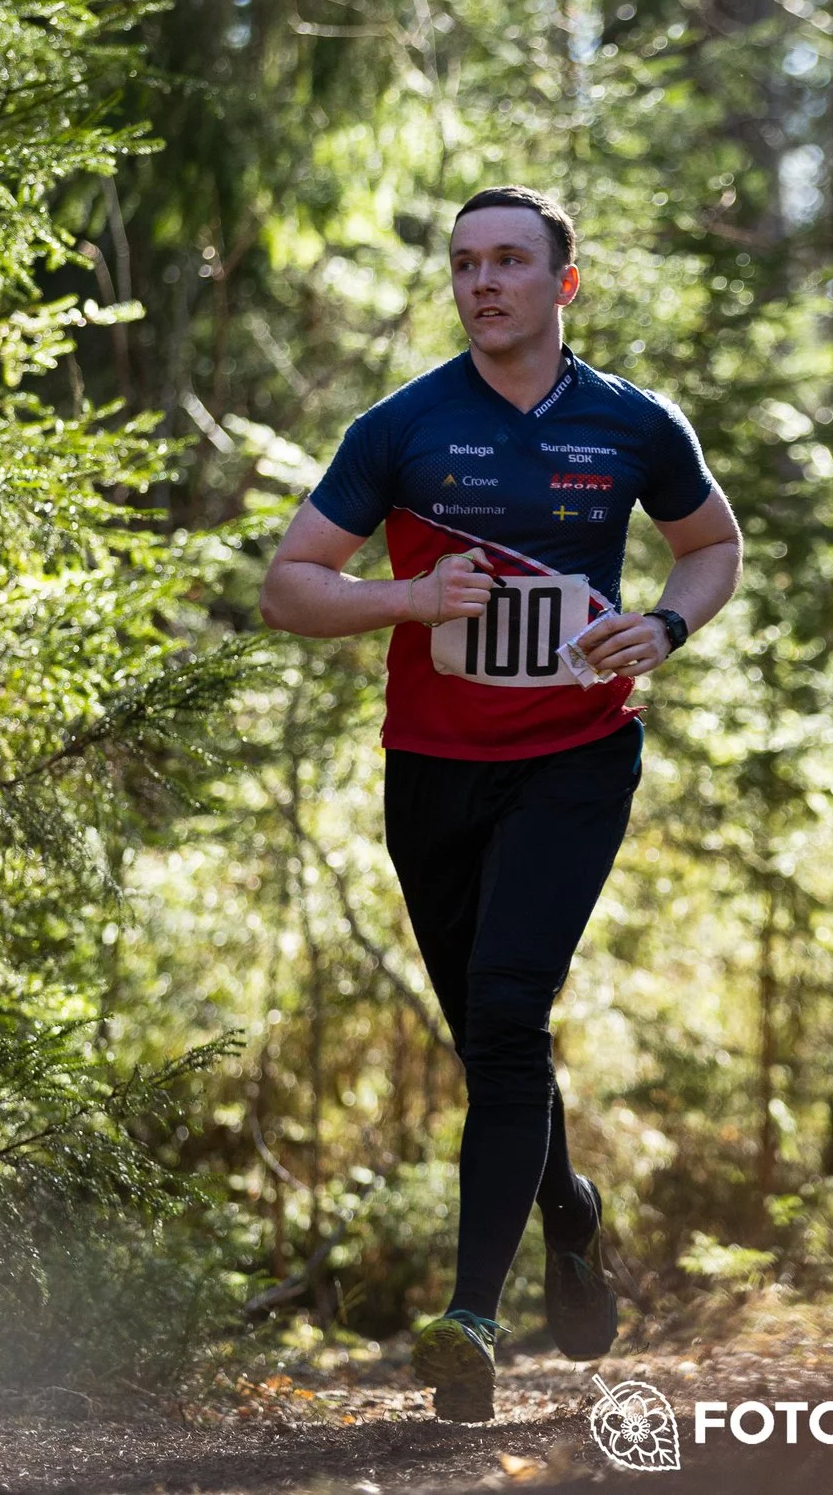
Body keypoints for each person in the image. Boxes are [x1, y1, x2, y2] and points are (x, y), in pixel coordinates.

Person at [258, 186, 741, 1422]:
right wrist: (409, 603)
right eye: (466, 262)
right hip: (431, 767)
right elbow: (291, 587)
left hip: (577, 756)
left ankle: (470, 1316)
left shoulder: (633, 424)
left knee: (512, 1010)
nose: (483, 282)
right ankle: (570, 1213)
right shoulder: (405, 426)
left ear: (562, 283)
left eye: (511, 262)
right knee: (490, 1038)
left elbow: (711, 545)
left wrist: (667, 623)